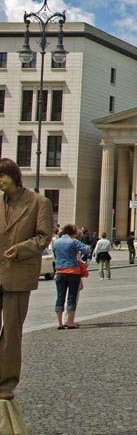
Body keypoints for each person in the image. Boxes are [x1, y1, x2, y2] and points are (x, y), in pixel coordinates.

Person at [0, 158, 53, 398]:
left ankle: (6, 383)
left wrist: (22, 249)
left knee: (12, 330)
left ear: (14, 175)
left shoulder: (38, 202)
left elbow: (43, 237)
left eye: (3, 176)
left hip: (17, 273)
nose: (0, 181)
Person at [51, 224, 89, 331]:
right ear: (72, 233)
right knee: (71, 297)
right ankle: (70, 322)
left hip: (59, 272)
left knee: (60, 297)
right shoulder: (73, 241)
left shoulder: (56, 242)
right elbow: (87, 249)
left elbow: (55, 255)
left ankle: (59, 323)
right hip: (73, 271)